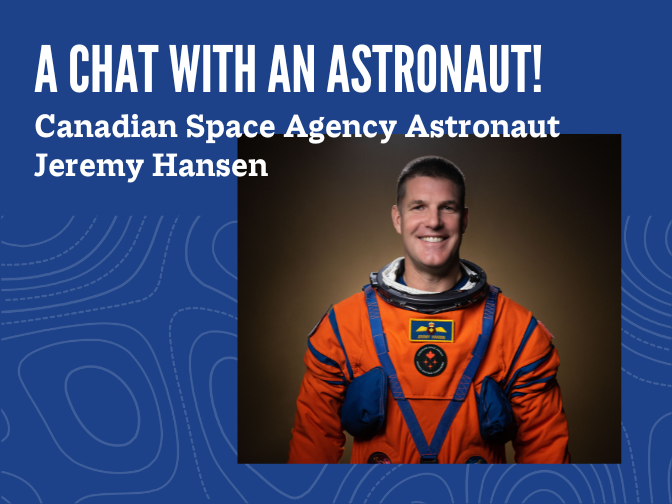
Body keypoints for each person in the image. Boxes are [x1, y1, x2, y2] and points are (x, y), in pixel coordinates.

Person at [288, 156, 570, 464]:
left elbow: (546, 458)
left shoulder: (515, 329)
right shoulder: (344, 326)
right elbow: (311, 450)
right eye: (418, 206)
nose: (433, 221)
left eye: (446, 207)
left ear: (463, 219)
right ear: (397, 218)